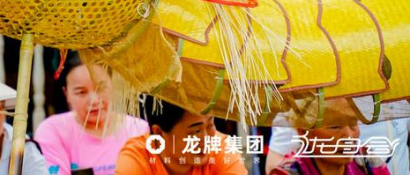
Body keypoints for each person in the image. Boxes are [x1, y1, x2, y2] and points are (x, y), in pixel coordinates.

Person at [34, 53, 148, 174]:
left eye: (101, 88)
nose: (94, 100)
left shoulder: (138, 129)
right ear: (66, 93)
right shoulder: (53, 130)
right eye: (81, 92)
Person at [115, 97, 247, 175]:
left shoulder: (223, 150)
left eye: (210, 124)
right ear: (159, 133)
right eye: (196, 131)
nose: (207, 139)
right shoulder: (136, 159)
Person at [265, 120, 408, 175]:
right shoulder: (288, 172)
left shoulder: (367, 160)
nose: (348, 136)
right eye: (335, 126)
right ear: (303, 132)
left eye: (353, 125)